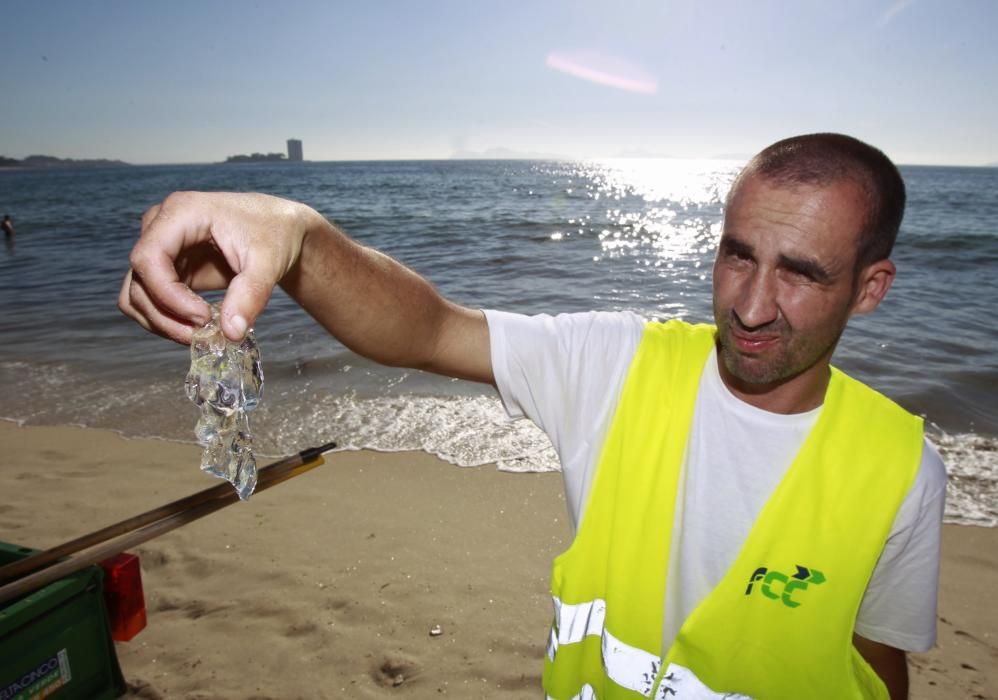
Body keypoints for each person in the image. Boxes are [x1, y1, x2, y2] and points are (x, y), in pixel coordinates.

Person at [120, 133, 945, 700]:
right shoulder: (617, 365)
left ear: (871, 288)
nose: (753, 306)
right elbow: (429, 327)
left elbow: (877, 668)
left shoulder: (901, 468)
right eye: (738, 254)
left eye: (800, 273)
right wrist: (296, 235)